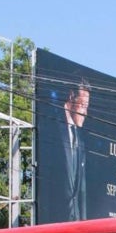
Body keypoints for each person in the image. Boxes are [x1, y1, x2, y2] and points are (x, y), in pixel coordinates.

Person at [36, 79, 91, 223]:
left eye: (87, 107)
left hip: (75, 222)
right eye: (83, 106)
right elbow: (45, 179)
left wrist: (85, 226)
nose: (85, 112)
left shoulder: (80, 138)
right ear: (71, 97)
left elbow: (82, 189)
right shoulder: (52, 124)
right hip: (53, 220)